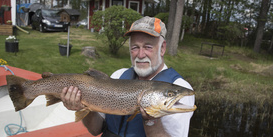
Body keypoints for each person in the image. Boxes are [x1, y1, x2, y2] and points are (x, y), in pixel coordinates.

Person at [60, 16, 195, 137]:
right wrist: (84, 106)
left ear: (162, 48)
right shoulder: (118, 76)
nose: (140, 55)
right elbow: (95, 130)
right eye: (135, 47)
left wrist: (150, 121)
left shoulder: (177, 90)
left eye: (148, 47)